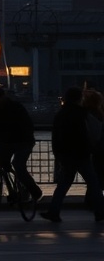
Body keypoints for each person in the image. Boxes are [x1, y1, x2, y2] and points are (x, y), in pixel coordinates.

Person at [40, 87, 104, 222]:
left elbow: (56, 137)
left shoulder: (60, 114)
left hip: (66, 154)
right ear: (79, 99)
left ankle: (54, 211)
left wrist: (58, 153)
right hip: (82, 153)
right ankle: (100, 211)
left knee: (63, 184)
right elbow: (95, 130)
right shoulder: (83, 114)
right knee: (93, 183)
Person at [0, 87, 43, 202]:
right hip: (15, 141)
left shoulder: (14, 108)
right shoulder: (8, 109)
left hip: (23, 141)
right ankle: (16, 189)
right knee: (9, 165)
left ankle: (34, 191)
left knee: (17, 165)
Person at [82, 88, 104, 204]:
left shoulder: (86, 114)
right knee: (96, 175)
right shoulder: (99, 113)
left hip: (93, 150)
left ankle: (92, 198)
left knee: (94, 175)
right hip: (99, 149)